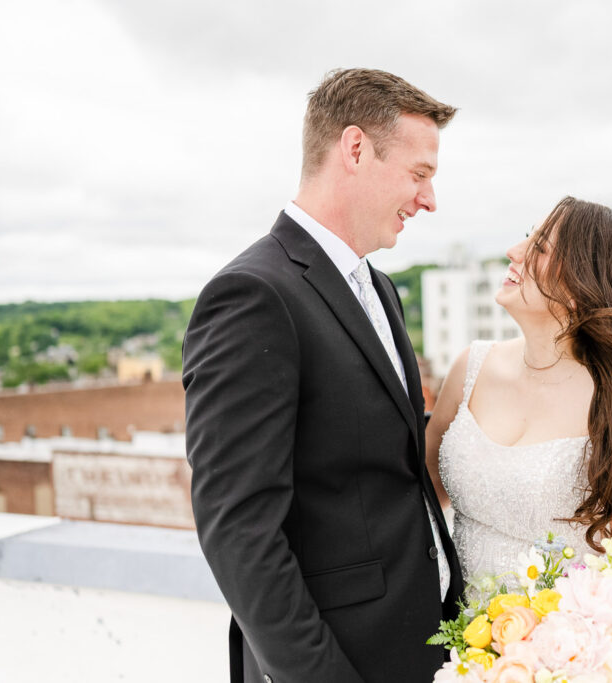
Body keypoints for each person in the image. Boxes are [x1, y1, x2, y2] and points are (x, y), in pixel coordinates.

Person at [183, 68, 463, 683]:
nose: (429, 200)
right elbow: (238, 531)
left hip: (426, 647)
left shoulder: (380, 289)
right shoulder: (252, 295)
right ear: (356, 149)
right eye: (420, 175)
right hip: (341, 661)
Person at [427, 197, 612, 582]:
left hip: (561, 638)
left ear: (582, 286)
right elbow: (423, 496)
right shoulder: (471, 369)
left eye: (541, 248)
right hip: (442, 630)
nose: (514, 252)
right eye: (526, 238)